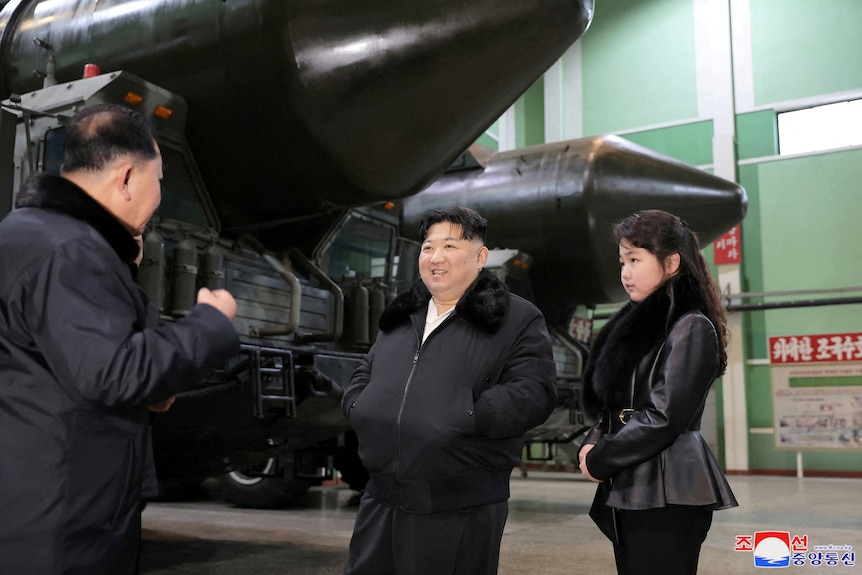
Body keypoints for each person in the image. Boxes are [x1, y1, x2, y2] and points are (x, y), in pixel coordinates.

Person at [0, 103, 240, 575]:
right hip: (63, 523)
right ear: (127, 177)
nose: (159, 193)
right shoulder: (70, 250)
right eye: (160, 179)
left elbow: (66, 365)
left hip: (30, 502)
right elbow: (112, 374)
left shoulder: (29, 235)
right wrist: (210, 323)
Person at [341, 206, 557, 575]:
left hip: (459, 505)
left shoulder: (516, 318)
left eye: (450, 246)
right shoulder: (400, 318)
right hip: (381, 497)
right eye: (427, 247)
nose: (435, 257)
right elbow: (366, 370)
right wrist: (359, 404)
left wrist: (467, 415)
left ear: (480, 256)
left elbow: (534, 392)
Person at [577, 209, 738, 575]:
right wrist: (592, 441)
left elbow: (664, 416)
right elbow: (616, 403)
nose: (625, 272)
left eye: (635, 259)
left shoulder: (691, 327)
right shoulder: (639, 327)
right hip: (631, 482)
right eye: (622, 261)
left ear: (671, 262)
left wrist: (601, 458)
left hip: (669, 490)